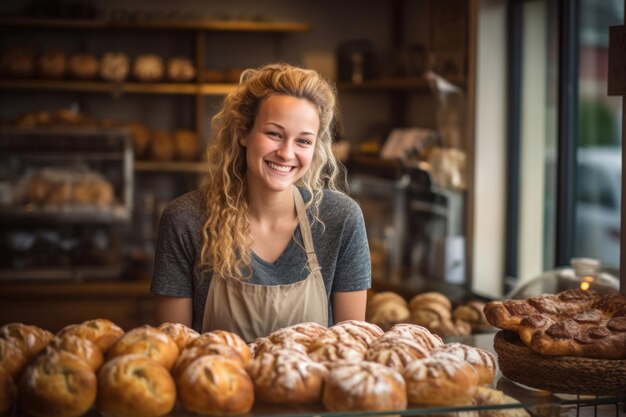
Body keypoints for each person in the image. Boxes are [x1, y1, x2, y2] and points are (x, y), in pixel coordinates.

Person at [151, 63, 371, 342]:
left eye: (303, 141)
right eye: (274, 134)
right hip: (220, 385)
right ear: (244, 132)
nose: (286, 153)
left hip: (311, 387)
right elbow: (173, 350)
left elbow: (351, 350)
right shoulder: (186, 220)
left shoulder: (340, 219)